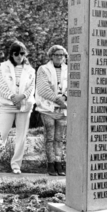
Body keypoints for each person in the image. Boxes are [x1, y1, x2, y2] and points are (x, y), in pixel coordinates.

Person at [0, 41, 35, 174]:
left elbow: (31, 88)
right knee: (1, 134)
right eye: (16, 54)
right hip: (7, 105)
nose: (19, 56)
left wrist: (21, 98)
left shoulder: (30, 69)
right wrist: (14, 99)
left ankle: (16, 165)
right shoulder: (3, 67)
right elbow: (1, 86)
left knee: (21, 136)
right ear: (11, 54)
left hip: (24, 106)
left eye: (22, 53)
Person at [35, 45, 68, 176]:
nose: (59, 57)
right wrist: (57, 99)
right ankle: (51, 164)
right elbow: (43, 89)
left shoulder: (69, 69)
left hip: (63, 108)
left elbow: (74, 85)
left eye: (62, 55)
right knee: (50, 137)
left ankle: (59, 163)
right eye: (56, 55)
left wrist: (65, 98)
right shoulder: (43, 69)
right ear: (51, 56)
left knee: (59, 138)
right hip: (48, 108)